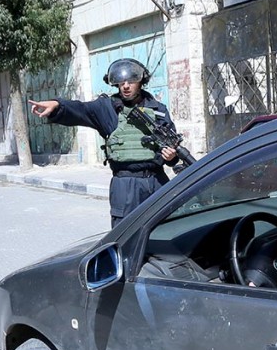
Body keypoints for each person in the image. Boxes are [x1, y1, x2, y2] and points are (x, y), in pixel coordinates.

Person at [29, 58, 180, 227]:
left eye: (131, 81)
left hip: (157, 181)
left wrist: (171, 156)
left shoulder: (158, 110)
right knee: (125, 237)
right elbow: (80, 109)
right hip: (125, 185)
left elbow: (172, 150)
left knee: (165, 230)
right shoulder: (107, 108)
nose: (126, 86)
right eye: (121, 82)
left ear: (141, 80)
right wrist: (57, 105)